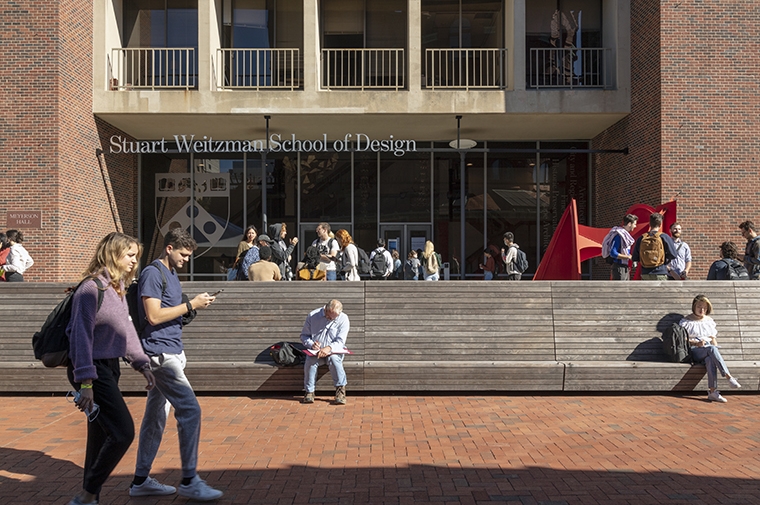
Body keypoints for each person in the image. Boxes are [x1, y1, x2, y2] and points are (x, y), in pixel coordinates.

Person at [130, 228, 223, 501]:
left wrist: (191, 308)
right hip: (160, 356)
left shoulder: (170, 273)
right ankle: (189, 479)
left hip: (171, 351)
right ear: (169, 248)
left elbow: (168, 313)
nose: (186, 259)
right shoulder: (152, 272)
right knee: (191, 410)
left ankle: (139, 480)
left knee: (155, 418)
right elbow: (154, 316)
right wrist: (191, 303)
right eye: (183, 254)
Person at [66, 232, 155, 505]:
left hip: (108, 367)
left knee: (102, 433)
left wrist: (142, 364)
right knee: (123, 431)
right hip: (91, 369)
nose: (134, 262)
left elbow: (126, 330)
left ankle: (89, 497)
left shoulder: (117, 289)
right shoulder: (91, 289)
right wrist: (85, 383)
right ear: (113, 255)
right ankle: (87, 493)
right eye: (130, 255)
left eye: (136, 257)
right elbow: (80, 337)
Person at [679, 294, 741, 403]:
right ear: (694, 306)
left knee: (710, 358)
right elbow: (682, 339)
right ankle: (728, 377)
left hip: (709, 349)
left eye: (704, 307)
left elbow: (713, 339)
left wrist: (715, 350)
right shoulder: (686, 321)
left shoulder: (709, 321)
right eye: (699, 307)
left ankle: (712, 392)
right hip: (695, 350)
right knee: (711, 350)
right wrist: (696, 343)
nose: (702, 310)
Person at [300, 299, 350, 405]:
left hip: (334, 351)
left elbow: (340, 341)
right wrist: (311, 344)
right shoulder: (313, 315)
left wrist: (329, 348)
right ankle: (309, 391)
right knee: (310, 361)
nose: (331, 319)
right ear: (325, 309)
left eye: (334, 317)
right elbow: (304, 336)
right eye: (328, 316)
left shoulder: (344, 319)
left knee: (334, 359)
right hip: (316, 351)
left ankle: (340, 391)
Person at [631, 213, 678, 280]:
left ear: (650, 224)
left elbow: (635, 257)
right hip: (660, 272)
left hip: (645, 273)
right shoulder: (664, 237)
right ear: (660, 224)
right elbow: (673, 255)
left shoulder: (641, 238)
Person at [601, 214, 637, 280]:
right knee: (621, 290)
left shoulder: (624, 235)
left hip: (623, 268)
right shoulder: (619, 235)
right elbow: (613, 253)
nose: (635, 226)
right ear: (629, 224)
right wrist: (628, 257)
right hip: (619, 268)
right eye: (634, 224)